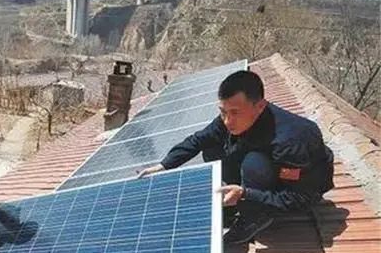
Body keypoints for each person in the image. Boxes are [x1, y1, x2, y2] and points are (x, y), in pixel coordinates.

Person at [138, 70, 334, 244]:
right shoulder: (231, 118)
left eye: (234, 113)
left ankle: (255, 217)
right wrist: (164, 165)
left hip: (299, 186)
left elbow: (299, 198)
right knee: (212, 147)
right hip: (271, 169)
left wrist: (247, 195)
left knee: (253, 163)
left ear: (260, 106)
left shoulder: (291, 141)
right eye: (223, 112)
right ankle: (235, 201)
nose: (227, 121)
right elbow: (198, 140)